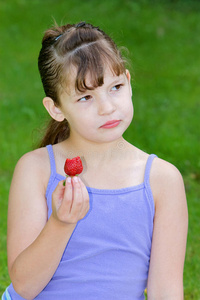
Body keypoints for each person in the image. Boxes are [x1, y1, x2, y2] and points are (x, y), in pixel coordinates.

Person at [2, 21, 188, 300]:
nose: (107, 107)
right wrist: (61, 223)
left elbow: (165, 290)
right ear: (56, 109)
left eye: (115, 87)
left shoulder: (162, 180)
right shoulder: (36, 170)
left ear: (128, 82)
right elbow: (25, 286)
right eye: (86, 97)